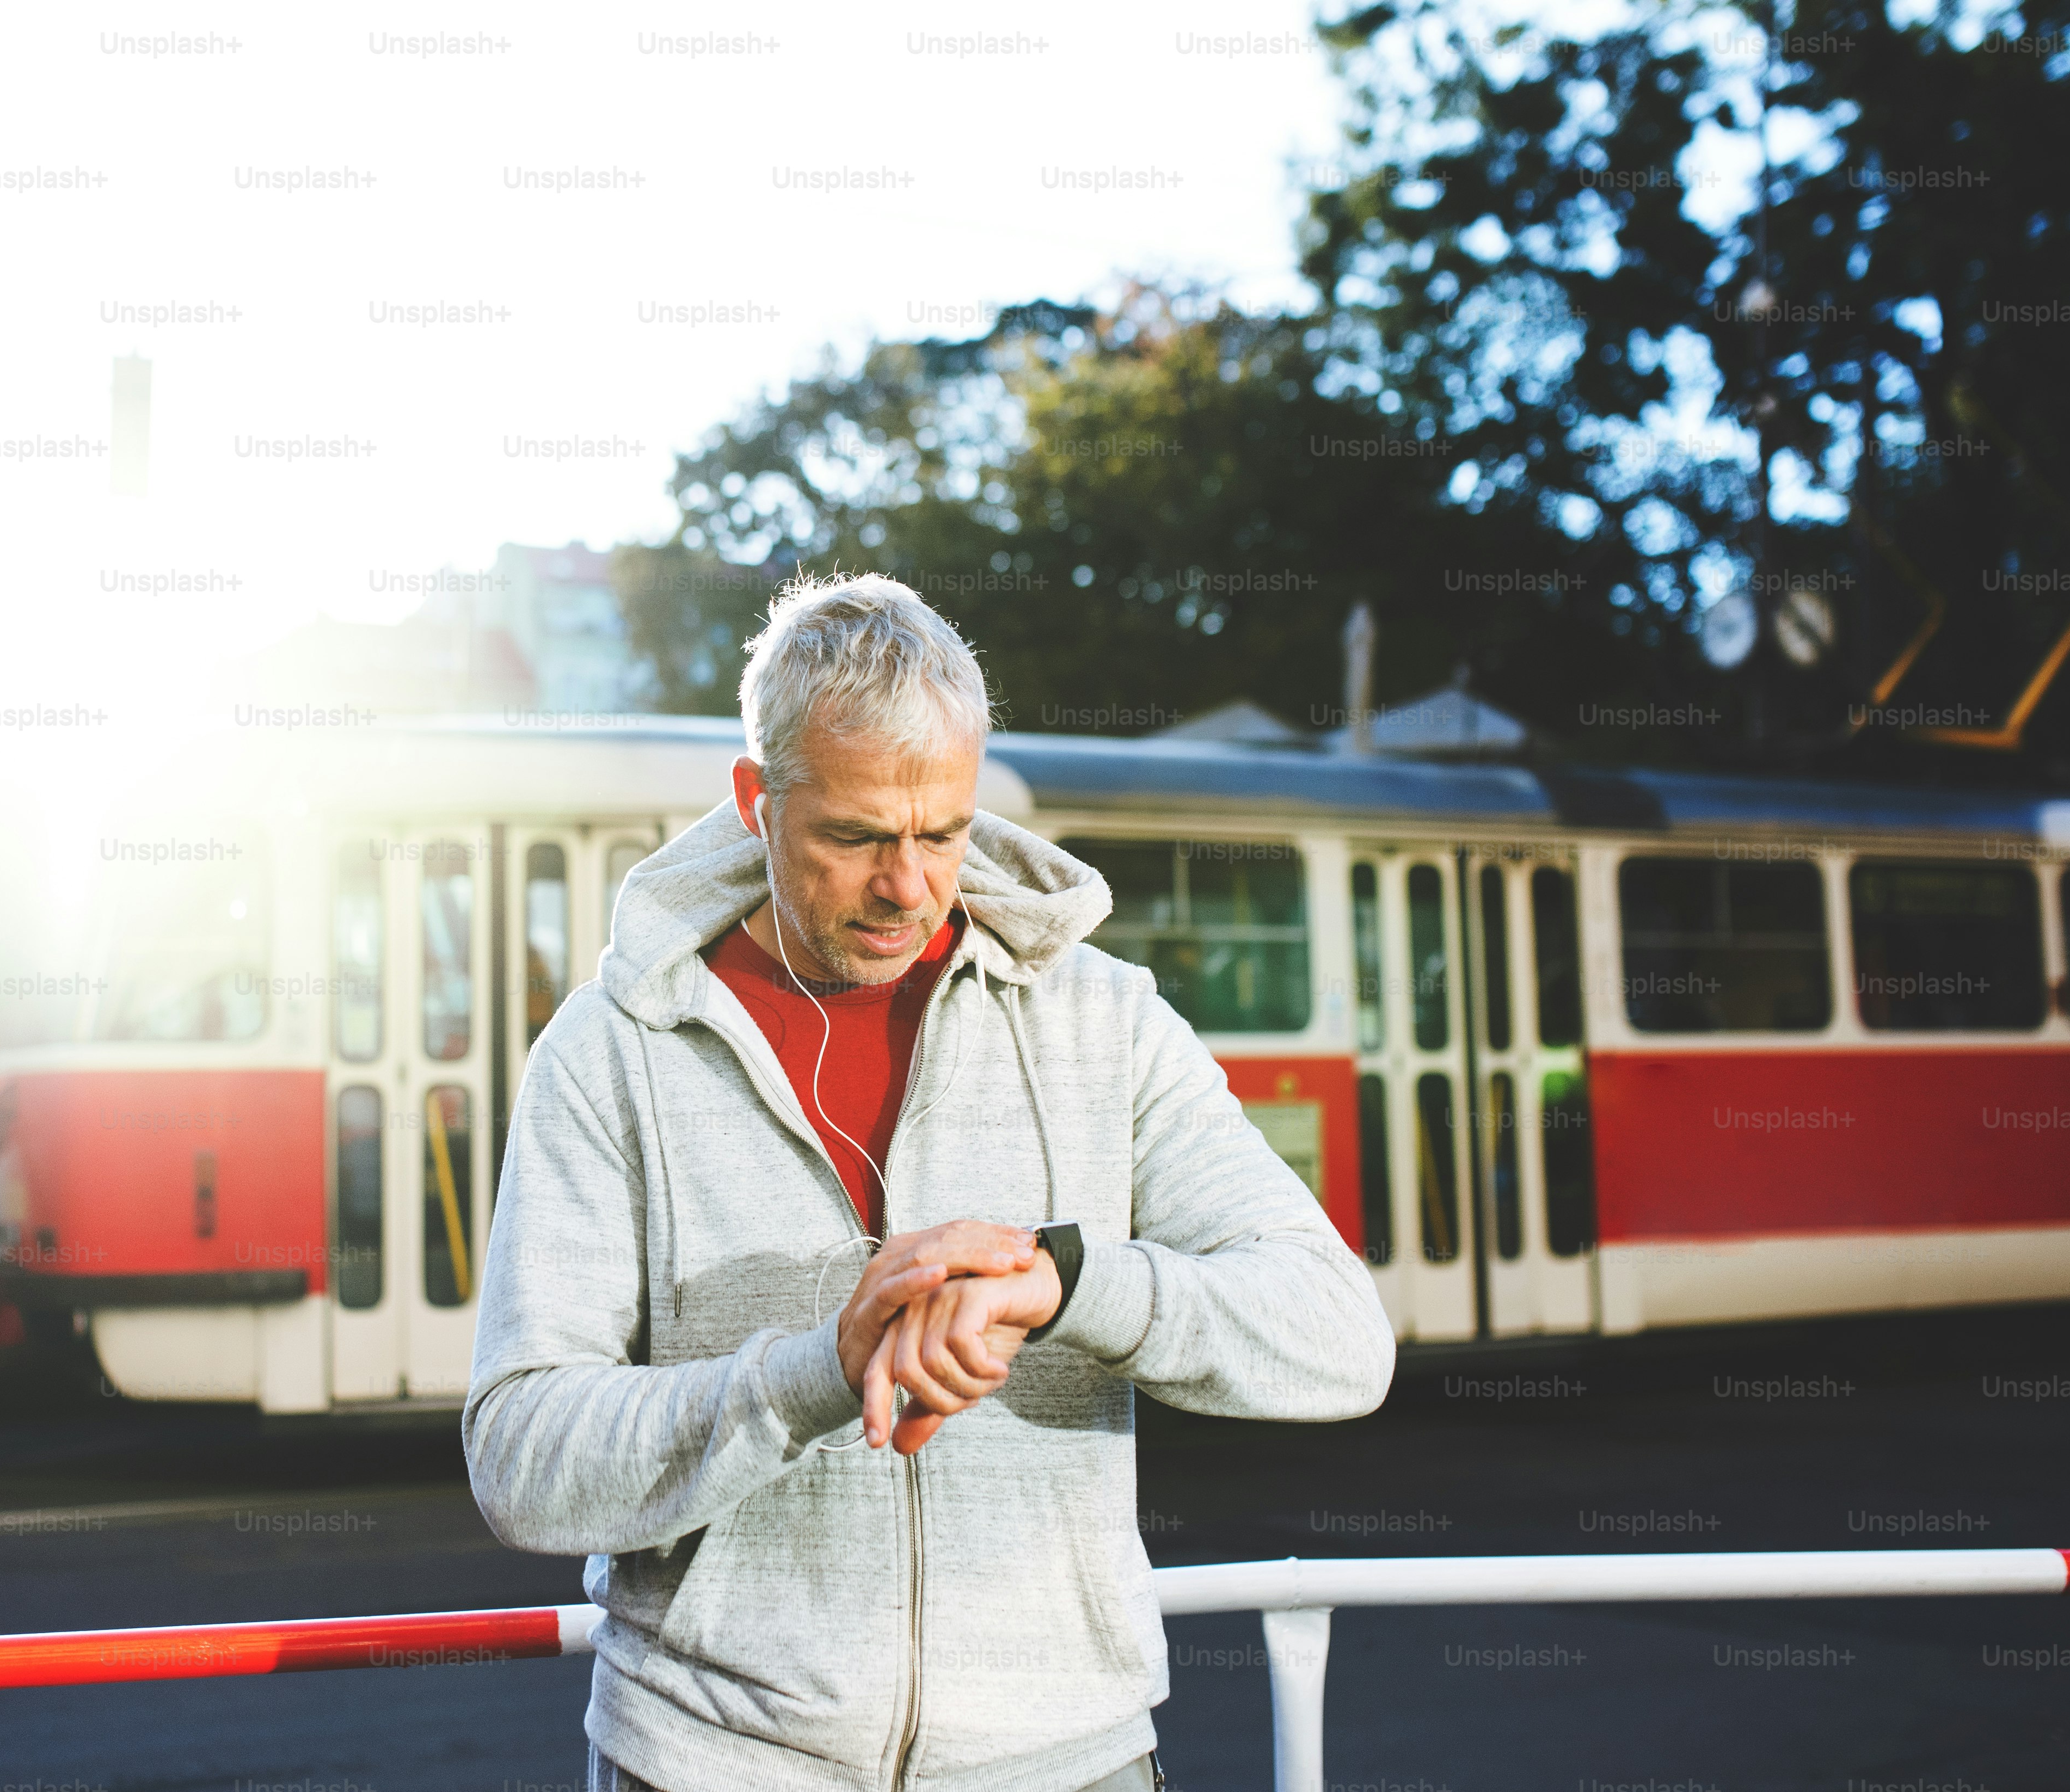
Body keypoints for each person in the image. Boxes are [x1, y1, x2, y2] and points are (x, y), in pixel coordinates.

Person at [466, 573, 1396, 1792]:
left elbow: (1338, 1342)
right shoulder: (609, 1049)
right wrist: (817, 1371)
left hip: (1066, 1764)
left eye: (943, 834)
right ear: (757, 801)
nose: (908, 885)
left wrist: (1064, 1281)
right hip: (712, 1766)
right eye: (853, 838)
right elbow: (524, 1459)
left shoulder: (1103, 1021)